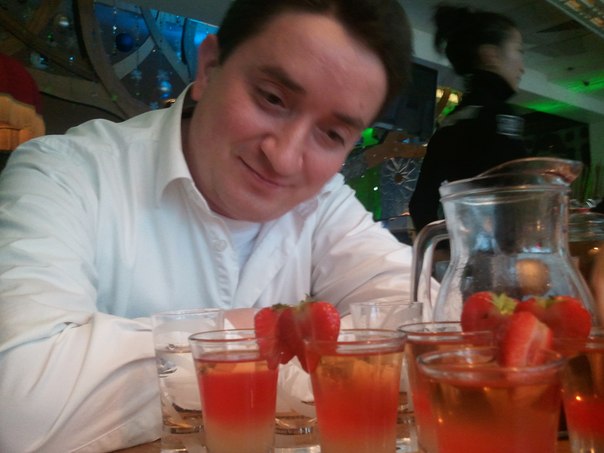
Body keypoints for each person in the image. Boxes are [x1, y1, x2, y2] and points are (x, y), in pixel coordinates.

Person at [0, 0, 416, 451]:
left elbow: (424, 323)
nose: (283, 157)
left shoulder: (323, 199)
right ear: (209, 68)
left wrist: (213, 355)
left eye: (332, 134)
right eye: (272, 98)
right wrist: (268, 336)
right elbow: (17, 405)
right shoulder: (66, 173)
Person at [408, 3, 528, 234]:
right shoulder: (498, 115)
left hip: (465, 248)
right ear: (490, 55)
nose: (522, 67)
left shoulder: (452, 121)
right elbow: (519, 195)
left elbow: (421, 205)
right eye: (518, 51)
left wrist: (444, 249)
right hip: (501, 250)